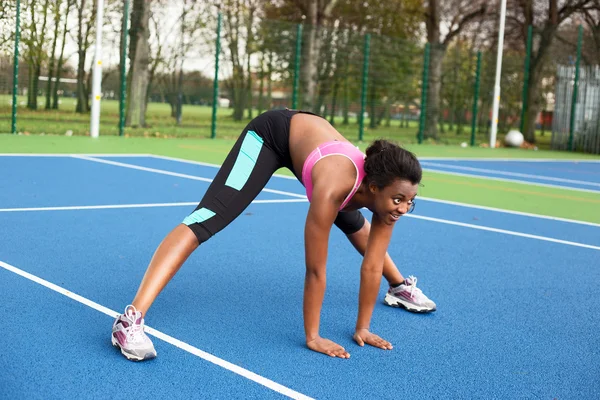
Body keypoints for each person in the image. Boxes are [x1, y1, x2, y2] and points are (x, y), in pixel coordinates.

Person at [111, 109, 436, 361]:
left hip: (312, 147)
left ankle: (398, 287)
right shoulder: (333, 190)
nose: (404, 208)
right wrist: (313, 336)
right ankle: (130, 320)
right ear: (376, 188)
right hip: (270, 135)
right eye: (399, 200)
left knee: (355, 225)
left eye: (411, 201)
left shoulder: (390, 199)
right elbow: (315, 269)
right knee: (206, 218)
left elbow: (371, 265)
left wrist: (362, 327)